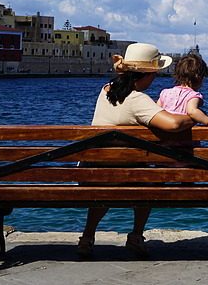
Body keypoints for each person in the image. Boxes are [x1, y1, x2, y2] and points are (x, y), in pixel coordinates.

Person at [76, 43, 196, 259]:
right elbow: (173, 125)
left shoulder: (105, 90)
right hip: (123, 174)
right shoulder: (138, 100)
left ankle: (87, 238)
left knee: (115, 178)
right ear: (147, 74)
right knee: (148, 177)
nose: (155, 79)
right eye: (155, 74)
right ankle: (136, 236)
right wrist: (196, 116)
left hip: (91, 172)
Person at [157, 53, 208, 134]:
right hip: (183, 140)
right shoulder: (193, 95)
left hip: (163, 139)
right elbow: (192, 111)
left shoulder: (165, 93)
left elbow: (157, 111)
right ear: (200, 78)